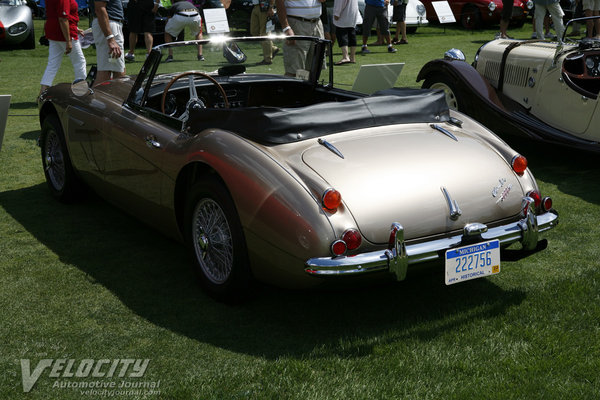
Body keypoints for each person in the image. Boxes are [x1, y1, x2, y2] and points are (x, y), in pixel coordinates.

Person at [40, 0, 87, 95]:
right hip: (63, 33)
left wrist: (76, 28)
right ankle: (81, 91)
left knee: (52, 64)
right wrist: (68, 41)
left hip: (54, 31)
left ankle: (42, 93)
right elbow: (62, 18)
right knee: (79, 62)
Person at [276, 0, 325, 76]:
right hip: (296, 23)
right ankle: (292, 87)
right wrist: (286, 28)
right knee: (295, 70)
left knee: (315, 68)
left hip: (317, 23)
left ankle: (307, 87)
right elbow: (279, 2)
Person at [91, 0, 126, 86]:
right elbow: (100, 9)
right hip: (109, 26)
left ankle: (114, 97)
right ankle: (94, 99)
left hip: (110, 26)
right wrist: (110, 38)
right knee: (109, 72)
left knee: (116, 69)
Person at [250, 0, 279, 65]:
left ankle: (268, 59)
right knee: (254, 31)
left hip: (264, 7)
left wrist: (271, 7)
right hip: (255, 6)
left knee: (264, 33)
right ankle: (273, 49)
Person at [332, 0, 360, 64]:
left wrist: (337, 13)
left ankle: (345, 57)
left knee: (342, 35)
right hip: (352, 15)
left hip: (344, 16)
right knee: (352, 35)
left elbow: (340, 3)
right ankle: (352, 57)